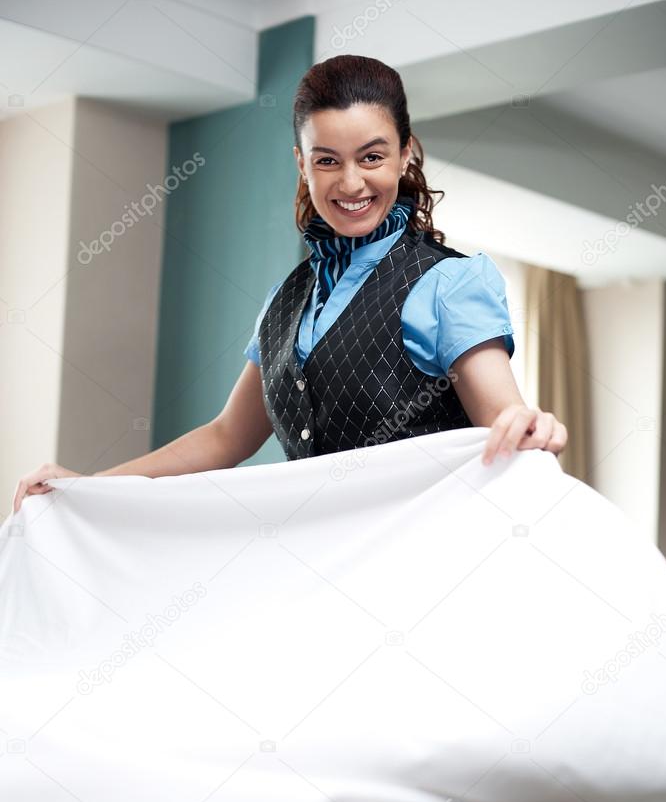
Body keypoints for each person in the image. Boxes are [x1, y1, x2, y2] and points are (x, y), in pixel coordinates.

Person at [12, 54, 567, 515]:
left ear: (403, 155)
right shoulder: (287, 301)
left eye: (372, 156)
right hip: (309, 569)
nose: (351, 182)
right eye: (328, 161)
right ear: (302, 164)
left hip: (421, 573)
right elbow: (226, 437)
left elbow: (504, 423)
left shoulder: (448, 283)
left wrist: (529, 426)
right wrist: (89, 485)